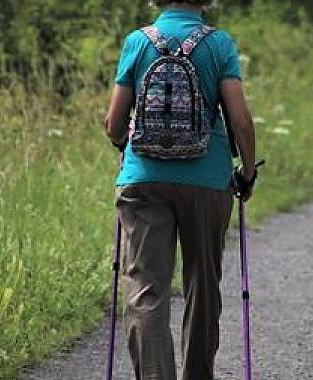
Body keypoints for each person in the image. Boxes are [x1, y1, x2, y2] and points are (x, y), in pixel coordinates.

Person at [104, 0, 257, 379]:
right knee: (202, 286)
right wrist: (248, 172)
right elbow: (240, 119)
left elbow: (113, 123)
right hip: (206, 179)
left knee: (145, 288)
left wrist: (127, 144)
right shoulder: (219, 44)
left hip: (144, 179)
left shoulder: (138, 42)